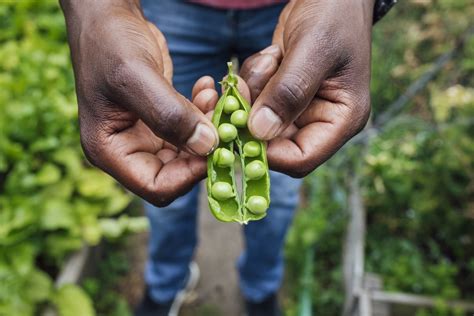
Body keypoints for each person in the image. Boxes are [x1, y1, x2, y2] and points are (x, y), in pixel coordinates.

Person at [60, 0, 397, 315]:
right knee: (165, 163)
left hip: (294, 9)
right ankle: (165, 285)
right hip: (172, 8)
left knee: (277, 191)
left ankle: (260, 289)